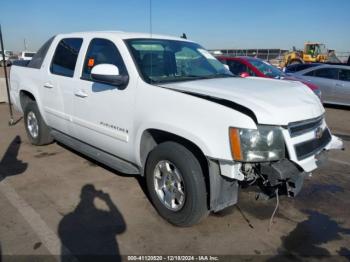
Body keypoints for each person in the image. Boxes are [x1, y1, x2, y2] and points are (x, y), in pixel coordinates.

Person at [58, 184, 126, 262]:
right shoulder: (103, 216)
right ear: (95, 196)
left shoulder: (68, 220)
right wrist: (108, 200)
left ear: (80, 196)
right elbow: (121, 227)